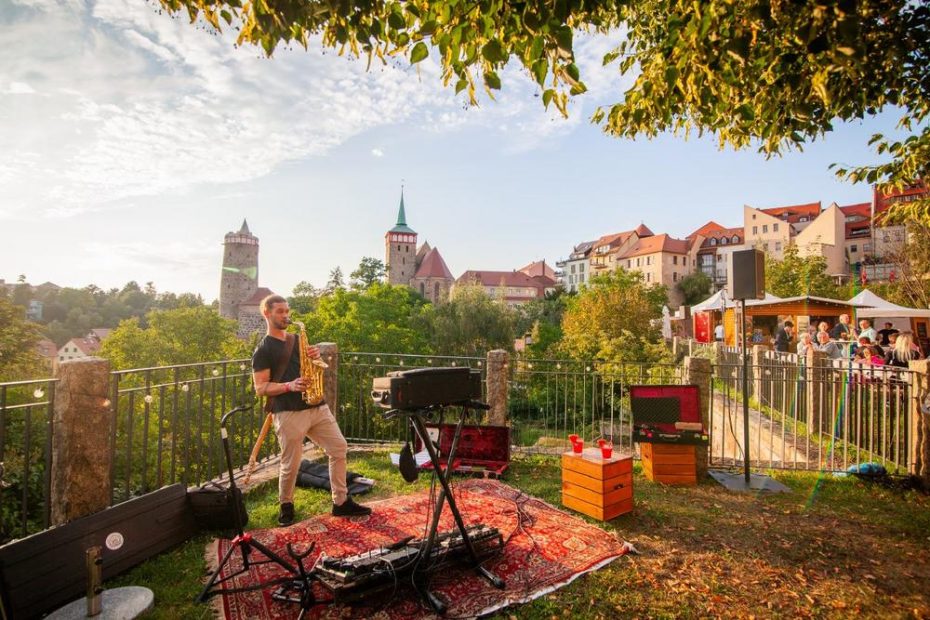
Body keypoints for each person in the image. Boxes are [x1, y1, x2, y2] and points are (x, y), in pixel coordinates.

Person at [252, 294, 371, 525]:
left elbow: (309, 365)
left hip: (316, 406)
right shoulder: (263, 350)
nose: (286, 315)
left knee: (338, 447)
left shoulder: (297, 339)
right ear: (266, 313)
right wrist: (289, 386)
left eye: (287, 311)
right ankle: (286, 505)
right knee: (291, 463)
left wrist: (315, 357)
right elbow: (260, 388)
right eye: (280, 311)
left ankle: (340, 502)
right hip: (288, 411)